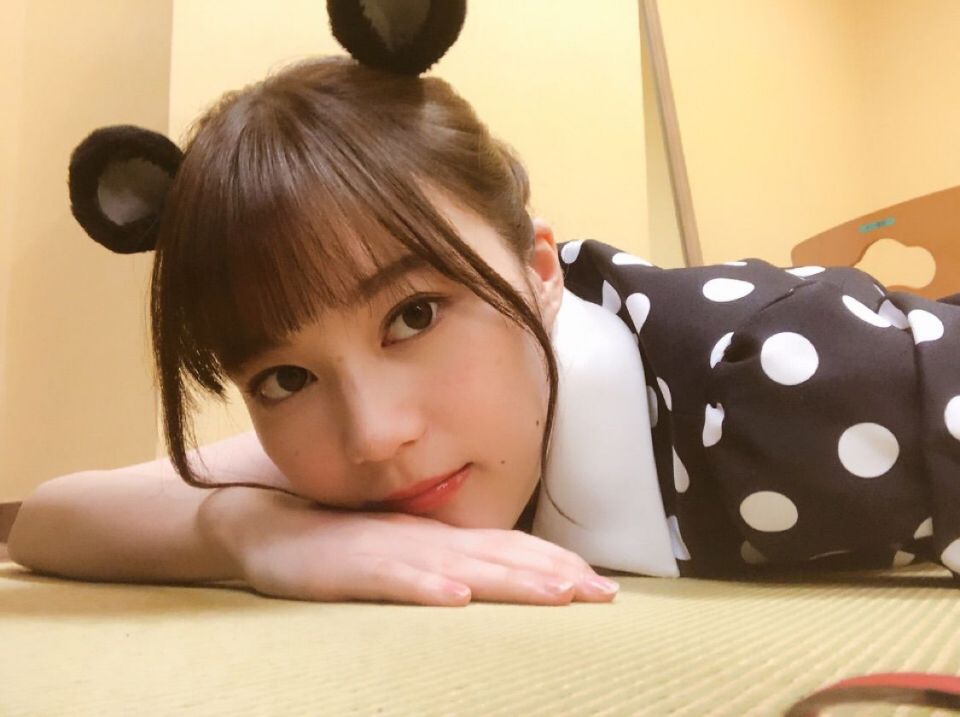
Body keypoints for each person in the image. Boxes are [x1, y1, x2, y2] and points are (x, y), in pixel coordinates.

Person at [10, 6, 960, 605]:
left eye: (414, 316)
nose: (374, 435)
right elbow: (50, 517)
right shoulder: (363, 442)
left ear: (540, 267)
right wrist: (260, 533)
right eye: (284, 376)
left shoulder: (785, 387)